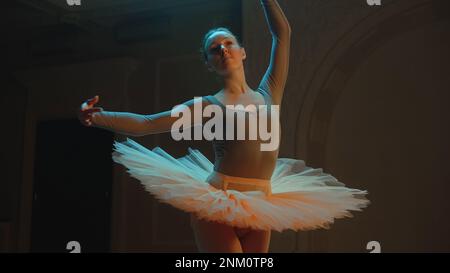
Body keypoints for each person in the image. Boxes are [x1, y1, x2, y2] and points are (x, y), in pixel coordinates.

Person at [78, 0, 369, 253]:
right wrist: (97, 117)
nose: (223, 50)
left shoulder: (269, 92)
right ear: (209, 63)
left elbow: (283, 34)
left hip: (261, 202)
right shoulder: (206, 106)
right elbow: (147, 124)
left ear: (243, 52)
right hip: (219, 203)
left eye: (229, 44)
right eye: (214, 49)